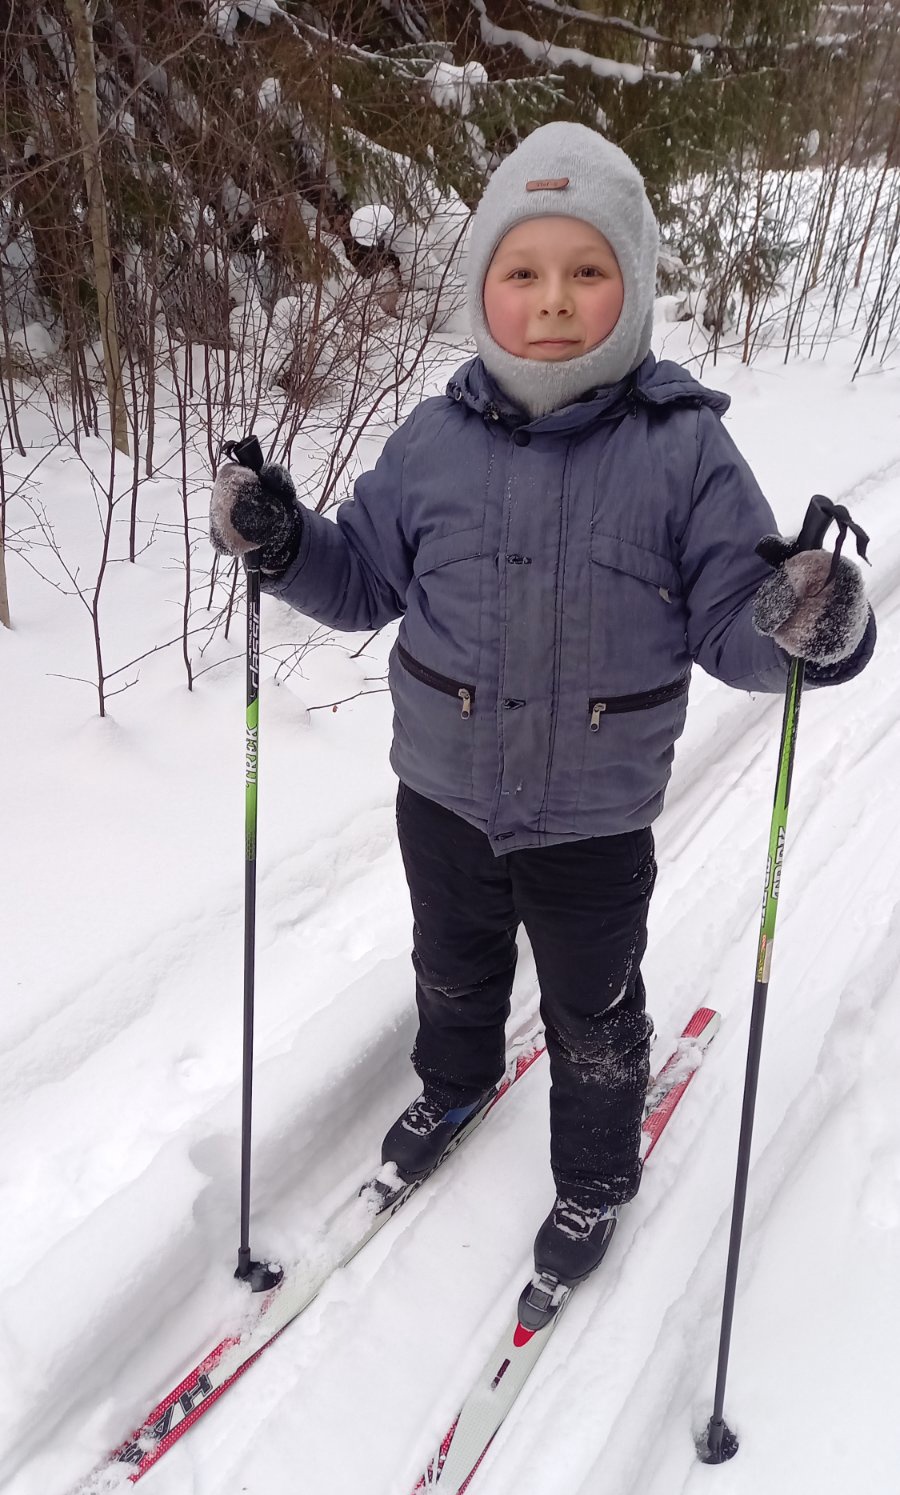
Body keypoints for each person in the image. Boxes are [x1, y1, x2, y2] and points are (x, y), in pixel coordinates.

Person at [210, 123, 875, 1292]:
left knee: (592, 1003)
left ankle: (597, 1170)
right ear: (483, 289)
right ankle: (455, 1079)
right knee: (452, 968)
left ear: (633, 289)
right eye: (524, 272)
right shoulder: (432, 442)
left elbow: (738, 624)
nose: (555, 301)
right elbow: (361, 576)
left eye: (587, 272)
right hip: (445, 793)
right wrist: (281, 540)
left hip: (594, 821)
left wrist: (810, 625)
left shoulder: (688, 452)